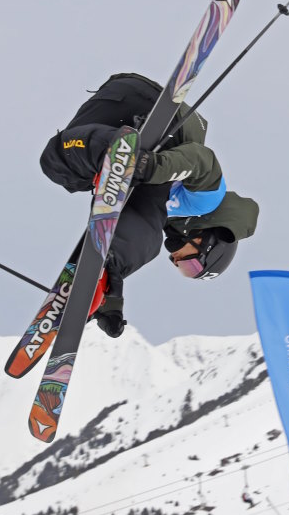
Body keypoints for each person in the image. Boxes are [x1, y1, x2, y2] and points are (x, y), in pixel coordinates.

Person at [39, 72, 259, 339]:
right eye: (191, 266)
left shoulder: (168, 215)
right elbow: (201, 160)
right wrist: (150, 166)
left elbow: (123, 221)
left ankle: (105, 279)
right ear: (208, 243)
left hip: (107, 111)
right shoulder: (207, 201)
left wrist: (113, 293)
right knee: (148, 217)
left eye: (182, 270)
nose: (177, 261)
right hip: (156, 116)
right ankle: (110, 263)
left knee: (60, 169)